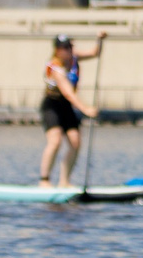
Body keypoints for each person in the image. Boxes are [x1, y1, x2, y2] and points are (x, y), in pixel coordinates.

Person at [37, 32, 102, 187]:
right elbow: (68, 92)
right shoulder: (55, 68)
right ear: (58, 50)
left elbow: (95, 53)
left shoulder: (74, 58)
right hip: (51, 105)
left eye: (70, 46)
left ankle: (64, 181)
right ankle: (44, 181)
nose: (69, 49)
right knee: (55, 140)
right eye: (66, 47)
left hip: (66, 107)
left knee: (75, 142)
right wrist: (86, 109)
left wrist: (99, 39)